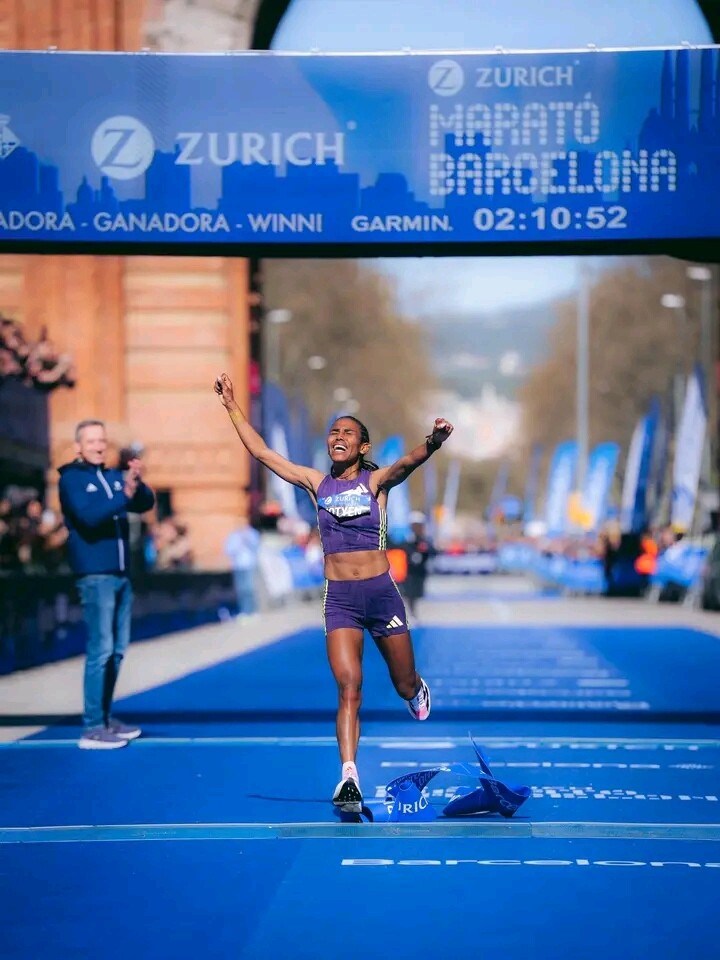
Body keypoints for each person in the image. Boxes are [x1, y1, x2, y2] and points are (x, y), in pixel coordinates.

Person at [214, 372, 453, 813]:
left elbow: (406, 464)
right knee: (348, 686)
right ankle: (348, 776)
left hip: (381, 595)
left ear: (363, 447)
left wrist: (433, 443)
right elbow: (263, 452)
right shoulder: (314, 483)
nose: (338, 437)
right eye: (333, 432)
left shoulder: (376, 483)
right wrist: (231, 406)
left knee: (402, 683)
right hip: (340, 598)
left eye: (348, 433)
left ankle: (416, 689)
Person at [58, 419, 155, 750]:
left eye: (102, 441)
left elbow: (144, 503)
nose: (98, 446)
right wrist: (122, 495)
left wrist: (136, 484)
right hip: (94, 575)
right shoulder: (71, 479)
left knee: (116, 650)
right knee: (100, 649)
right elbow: (88, 517)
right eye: (91, 441)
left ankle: (105, 716)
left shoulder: (114, 477)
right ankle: (92, 727)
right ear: (78, 447)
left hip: (121, 574)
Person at [225, 516, 261, 617]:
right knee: (241, 590)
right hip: (238, 566)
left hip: (249, 565)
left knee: (250, 589)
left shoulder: (252, 533)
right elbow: (228, 550)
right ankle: (244, 611)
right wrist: (238, 544)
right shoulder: (233, 536)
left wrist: (247, 540)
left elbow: (257, 547)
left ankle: (253, 611)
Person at [403, 511, 435, 620]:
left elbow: (432, 552)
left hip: (421, 572)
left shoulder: (425, 540)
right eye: (415, 525)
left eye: (419, 525)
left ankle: (416, 615)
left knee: (418, 593)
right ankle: (411, 614)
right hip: (409, 572)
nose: (417, 528)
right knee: (409, 593)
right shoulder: (407, 539)